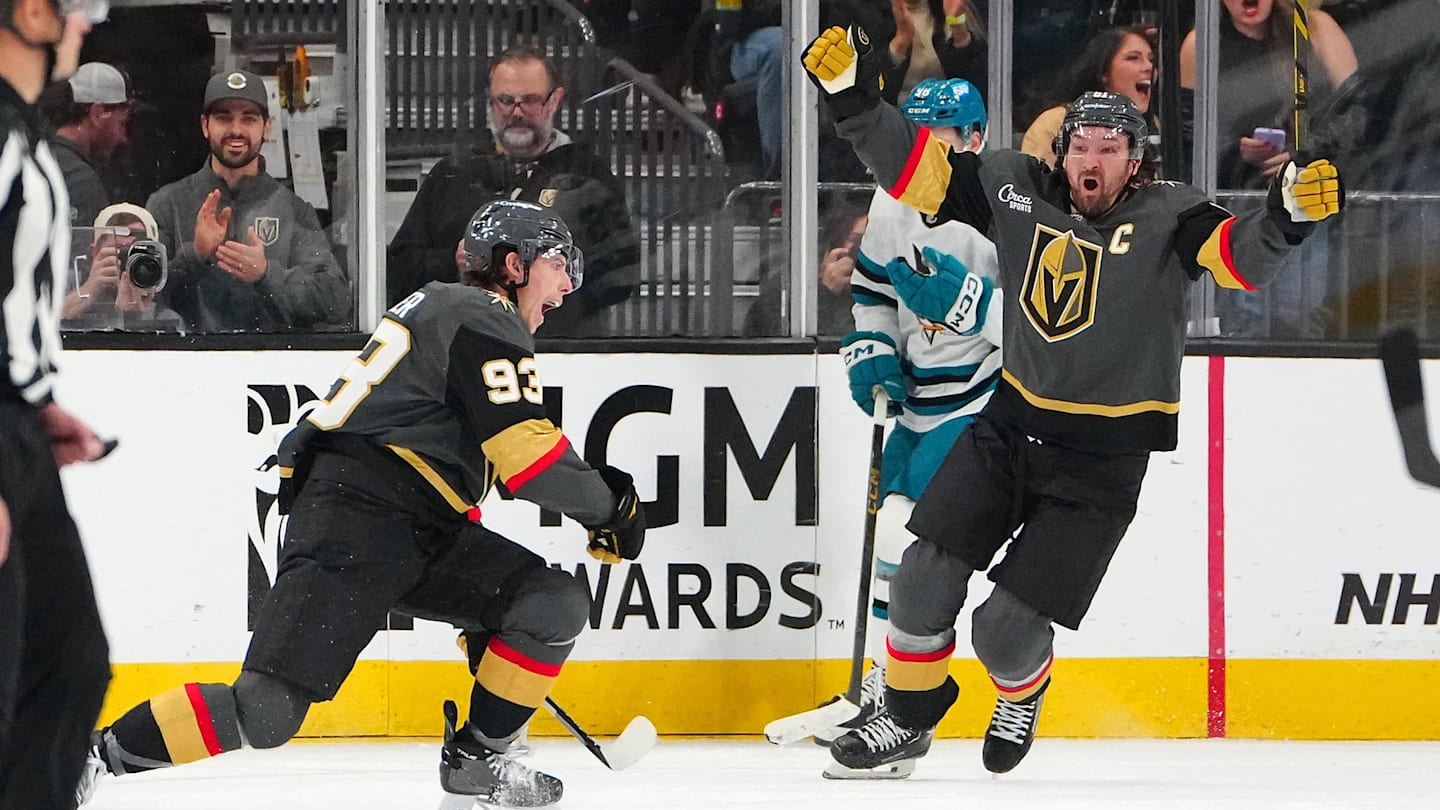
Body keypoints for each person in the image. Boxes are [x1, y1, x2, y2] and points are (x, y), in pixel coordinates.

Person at [802, 24, 1343, 776]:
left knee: (1003, 630)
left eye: (1110, 148)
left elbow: (1237, 260)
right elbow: (915, 172)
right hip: (1009, 427)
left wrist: (1287, 220)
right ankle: (906, 716)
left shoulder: (1172, 215)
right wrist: (852, 96)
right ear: (1063, 153)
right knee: (923, 574)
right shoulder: (1013, 186)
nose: (1092, 159)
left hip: (1102, 464)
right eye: (1082, 146)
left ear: (1136, 160)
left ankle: (1021, 689)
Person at [78, 200, 647, 808]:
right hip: (356, 520)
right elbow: (529, 460)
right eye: (558, 264)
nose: (566, 285)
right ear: (514, 265)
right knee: (265, 712)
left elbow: (468, 444)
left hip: (414, 519)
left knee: (548, 603)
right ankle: (86, 755)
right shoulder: (484, 315)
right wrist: (611, 510)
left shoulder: (450, 309)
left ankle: (478, 760)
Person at [818, 76, 1001, 779]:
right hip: (916, 404)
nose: (919, 155)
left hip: (979, 405)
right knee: (888, 533)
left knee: (903, 538)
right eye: (914, 139)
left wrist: (966, 305)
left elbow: (1040, 331)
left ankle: (904, 710)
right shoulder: (890, 200)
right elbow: (873, 292)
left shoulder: (1001, 208)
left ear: (974, 140)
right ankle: (886, 688)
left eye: (940, 139)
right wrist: (874, 350)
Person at [0, 1, 112, 808]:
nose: (88, 21)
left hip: (18, 431)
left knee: (67, 660)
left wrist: (34, 400)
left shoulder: (22, 131)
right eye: (82, 6)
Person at [387, 46, 639, 337]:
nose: (516, 113)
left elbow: (620, 280)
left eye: (530, 101)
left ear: (554, 100)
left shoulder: (588, 177)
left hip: (562, 356)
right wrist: (452, 261)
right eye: (506, 101)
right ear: (491, 102)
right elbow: (399, 271)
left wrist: (551, 275)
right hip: (461, 351)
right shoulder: (453, 174)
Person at [1180, 0, 1357, 338]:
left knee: (1299, 312)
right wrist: (1236, 151)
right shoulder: (1201, 41)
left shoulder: (1313, 28)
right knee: (1246, 315)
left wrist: (1302, 153)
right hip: (1237, 201)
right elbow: (1189, 132)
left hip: (1305, 195)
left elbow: (1358, 112)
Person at [144, 68, 350, 332]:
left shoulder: (294, 210)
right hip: (189, 364)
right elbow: (143, 299)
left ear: (267, 127)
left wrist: (266, 274)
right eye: (224, 118)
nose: (236, 130)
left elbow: (335, 299)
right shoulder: (167, 205)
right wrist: (195, 256)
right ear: (205, 126)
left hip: (270, 365)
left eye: (249, 119)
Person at [1020, 26, 1154, 170]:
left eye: (1152, 60)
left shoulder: (1154, 125)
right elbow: (1034, 186)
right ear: (1104, 72)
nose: (1149, 67)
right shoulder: (1055, 122)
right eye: (1133, 58)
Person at [62, 202, 184, 331]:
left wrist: (134, 316)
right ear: (95, 252)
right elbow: (48, 319)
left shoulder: (166, 320)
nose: (127, 263)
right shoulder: (69, 284)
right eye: (119, 252)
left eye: (135, 253)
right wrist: (90, 288)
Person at [39, 60, 131, 228]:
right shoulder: (81, 181)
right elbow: (84, 252)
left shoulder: (33, 159)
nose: (123, 137)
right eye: (122, 124)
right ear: (98, 113)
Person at [881, 0, 988, 107]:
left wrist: (959, 30)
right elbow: (872, 94)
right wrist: (900, 43)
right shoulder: (873, 13)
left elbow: (981, 89)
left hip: (950, 114)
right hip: (894, 118)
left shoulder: (952, 6)